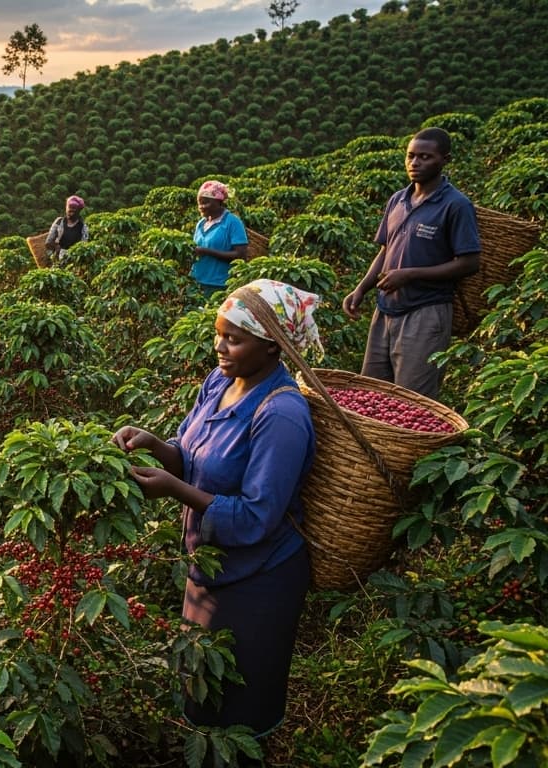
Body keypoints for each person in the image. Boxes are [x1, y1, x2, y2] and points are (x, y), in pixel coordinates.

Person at [111, 278, 320, 739]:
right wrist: (153, 444)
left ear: (272, 347)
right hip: (207, 561)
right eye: (218, 333)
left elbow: (255, 516)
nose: (220, 348)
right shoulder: (219, 381)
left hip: (258, 576)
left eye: (234, 338)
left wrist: (172, 489)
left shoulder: (281, 415)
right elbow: (191, 457)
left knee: (242, 698)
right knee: (200, 680)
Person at [342, 127, 481, 400]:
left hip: (426, 311)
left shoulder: (456, 205)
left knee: (411, 401)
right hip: (385, 309)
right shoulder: (397, 199)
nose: (415, 163)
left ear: (445, 160)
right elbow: (385, 250)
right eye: (410, 156)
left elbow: (469, 262)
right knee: (372, 395)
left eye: (425, 157)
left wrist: (411, 275)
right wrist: (362, 288)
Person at [190, 181, 250, 294]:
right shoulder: (201, 223)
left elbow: (240, 255)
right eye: (199, 203)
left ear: (218, 202)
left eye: (206, 202)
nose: (201, 207)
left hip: (220, 285)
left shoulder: (233, 222)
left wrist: (207, 251)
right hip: (196, 282)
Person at [44, 195, 90, 261]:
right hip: (58, 259)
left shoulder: (83, 227)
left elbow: (84, 247)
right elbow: (48, 242)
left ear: (79, 211)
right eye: (69, 210)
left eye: (73, 211)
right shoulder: (59, 222)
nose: (70, 213)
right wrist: (56, 247)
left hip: (75, 260)